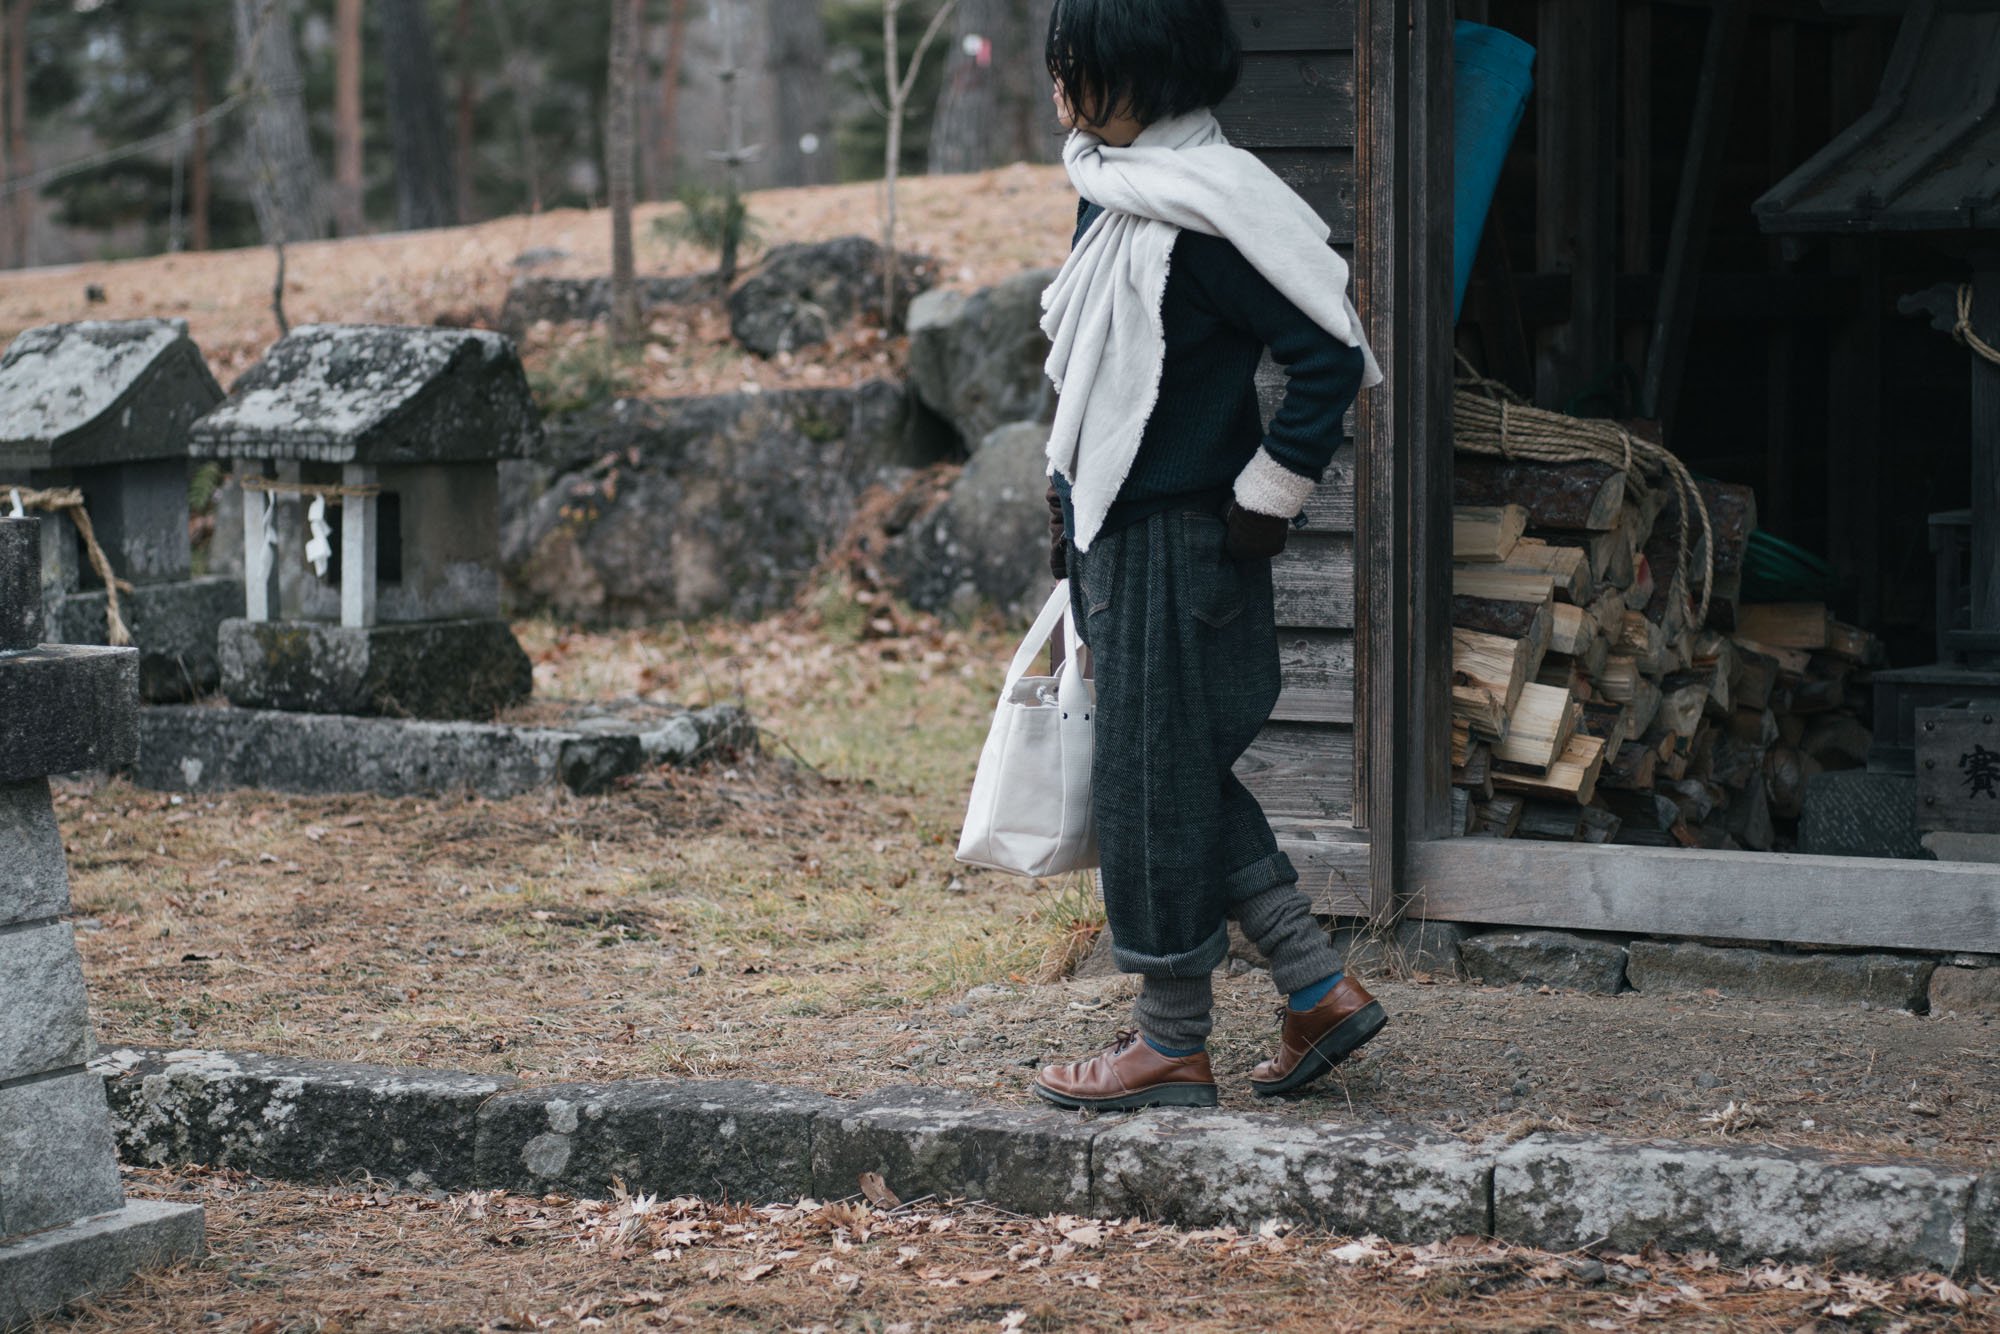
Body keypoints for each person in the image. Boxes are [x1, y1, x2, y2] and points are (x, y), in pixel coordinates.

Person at [1029, 0, 1387, 1111]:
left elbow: (1327, 355)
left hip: (1181, 544)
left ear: (1139, 73)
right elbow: (1091, 387)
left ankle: (1170, 1041)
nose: (1059, 88)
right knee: (1167, 770)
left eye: (1074, 66)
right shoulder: (1112, 189)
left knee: (1148, 791)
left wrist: (1263, 502)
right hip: (1116, 539)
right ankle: (1314, 984)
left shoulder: (1213, 209)